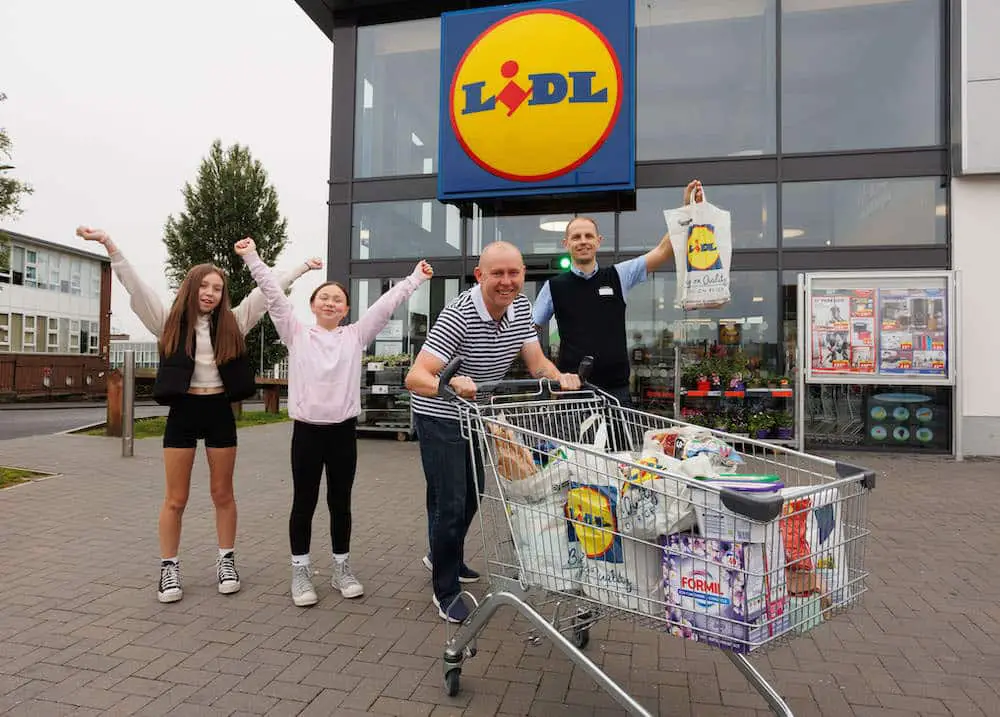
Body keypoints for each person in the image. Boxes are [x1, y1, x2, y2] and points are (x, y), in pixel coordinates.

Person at [76, 226, 319, 604]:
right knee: (176, 498)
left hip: (219, 411)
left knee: (223, 493)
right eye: (204, 286)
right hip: (183, 412)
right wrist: (110, 245)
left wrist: (301, 267)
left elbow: (266, 292)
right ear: (192, 288)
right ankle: (169, 568)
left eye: (217, 288)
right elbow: (136, 288)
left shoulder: (234, 323)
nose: (210, 293)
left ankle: (226, 561)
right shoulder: (168, 321)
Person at [236, 236, 434, 606]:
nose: (330, 302)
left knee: (340, 502)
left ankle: (342, 568)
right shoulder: (295, 333)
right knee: (304, 502)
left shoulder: (355, 336)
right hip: (306, 433)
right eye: (323, 297)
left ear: (345, 310)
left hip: (343, 434)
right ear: (312, 305)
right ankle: (300, 571)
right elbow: (271, 293)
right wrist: (251, 257)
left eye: (338, 299)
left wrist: (414, 279)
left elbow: (384, 306)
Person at [404, 241, 581, 623]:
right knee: (451, 500)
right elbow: (415, 376)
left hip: (475, 414)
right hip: (439, 412)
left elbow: (536, 363)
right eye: (497, 274)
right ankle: (446, 590)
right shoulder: (459, 315)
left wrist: (560, 377)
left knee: (471, 494)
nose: (506, 281)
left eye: (513, 273)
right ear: (480, 275)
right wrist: (451, 385)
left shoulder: (520, 310)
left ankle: (440, 552)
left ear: (523, 276)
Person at [532, 180, 704, 410]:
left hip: (617, 393)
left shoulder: (618, 275)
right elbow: (529, 331)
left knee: (620, 447)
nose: (583, 241)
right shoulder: (554, 286)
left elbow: (663, 251)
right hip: (572, 393)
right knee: (574, 448)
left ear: (598, 241)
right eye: (576, 237)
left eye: (588, 236)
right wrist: (551, 373)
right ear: (566, 244)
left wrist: (688, 211)